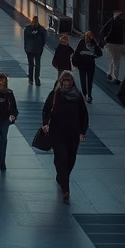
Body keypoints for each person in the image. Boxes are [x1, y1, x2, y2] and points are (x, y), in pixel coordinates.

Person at [43, 71, 89, 203]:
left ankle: (62, 177)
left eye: (69, 81)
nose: (67, 83)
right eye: (65, 81)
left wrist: (82, 132)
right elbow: (46, 110)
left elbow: (84, 115)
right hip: (57, 132)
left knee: (71, 159)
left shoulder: (78, 96)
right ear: (61, 82)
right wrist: (46, 124)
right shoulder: (55, 94)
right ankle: (65, 187)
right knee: (61, 157)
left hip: (73, 133)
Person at [73, 32, 102, 102]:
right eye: (87, 36)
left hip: (90, 65)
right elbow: (77, 53)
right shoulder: (82, 42)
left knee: (90, 81)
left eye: (90, 36)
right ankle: (85, 93)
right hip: (82, 64)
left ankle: (89, 95)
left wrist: (94, 49)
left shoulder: (94, 43)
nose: (88, 38)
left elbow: (100, 53)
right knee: (83, 81)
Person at [101, 11, 125, 81]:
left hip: (111, 43)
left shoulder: (111, 21)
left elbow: (104, 30)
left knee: (112, 58)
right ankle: (114, 77)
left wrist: (105, 38)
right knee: (116, 60)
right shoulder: (124, 23)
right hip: (119, 43)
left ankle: (110, 73)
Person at [23, 16, 47, 86]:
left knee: (36, 64)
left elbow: (44, 39)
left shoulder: (41, 29)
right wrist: (26, 48)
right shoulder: (28, 29)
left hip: (37, 50)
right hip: (30, 50)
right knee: (32, 65)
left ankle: (36, 79)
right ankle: (32, 79)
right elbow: (25, 39)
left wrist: (41, 46)